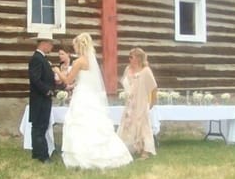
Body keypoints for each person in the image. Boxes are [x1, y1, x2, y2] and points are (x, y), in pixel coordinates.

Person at [54, 33, 133, 169]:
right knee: (94, 124)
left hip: (81, 96)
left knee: (80, 123)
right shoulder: (91, 61)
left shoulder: (78, 62)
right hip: (91, 96)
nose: (74, 49)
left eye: (75, 46)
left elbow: (68, 80)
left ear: (80, 46)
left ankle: (81, 157)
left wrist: (57, 71)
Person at [117, 47, 157, 159]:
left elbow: (153, 87)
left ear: (138, 58)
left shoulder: (145, 71)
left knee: (143, 124)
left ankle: (146, 150)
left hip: (142, 101)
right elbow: (125, 83)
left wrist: (153, 101)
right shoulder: (127, 69)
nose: (129, 59)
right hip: (130, 102)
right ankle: (131, 146)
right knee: (128, 123)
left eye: (131, 57)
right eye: (129, 57)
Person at [28, 32, 56, 163]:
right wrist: (48, 91)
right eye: (51, 44)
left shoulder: (42, 58)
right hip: (40, 99)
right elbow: (35, 79)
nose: (52, 47)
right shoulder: (37, 59)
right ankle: (43, 156)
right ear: (44, 44)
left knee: (40, 126)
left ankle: (37, 152)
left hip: (43, 99)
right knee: (39, 127)